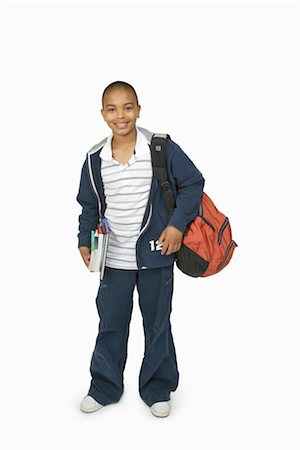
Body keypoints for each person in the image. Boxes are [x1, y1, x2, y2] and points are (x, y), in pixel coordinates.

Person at [76, 81, 205, 417]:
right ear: (103, 114)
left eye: (128, 107)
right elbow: (88, 206)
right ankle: (104, 386)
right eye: (113, 109)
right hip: (113, 260)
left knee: (157, 323)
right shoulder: (94, 159)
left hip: (156, 254)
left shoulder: (160, 148)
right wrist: (84, 240)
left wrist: (176, 225)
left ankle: (158, 387)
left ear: (139, 109)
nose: (122, 115)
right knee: (111, 324)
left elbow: (193, 183)